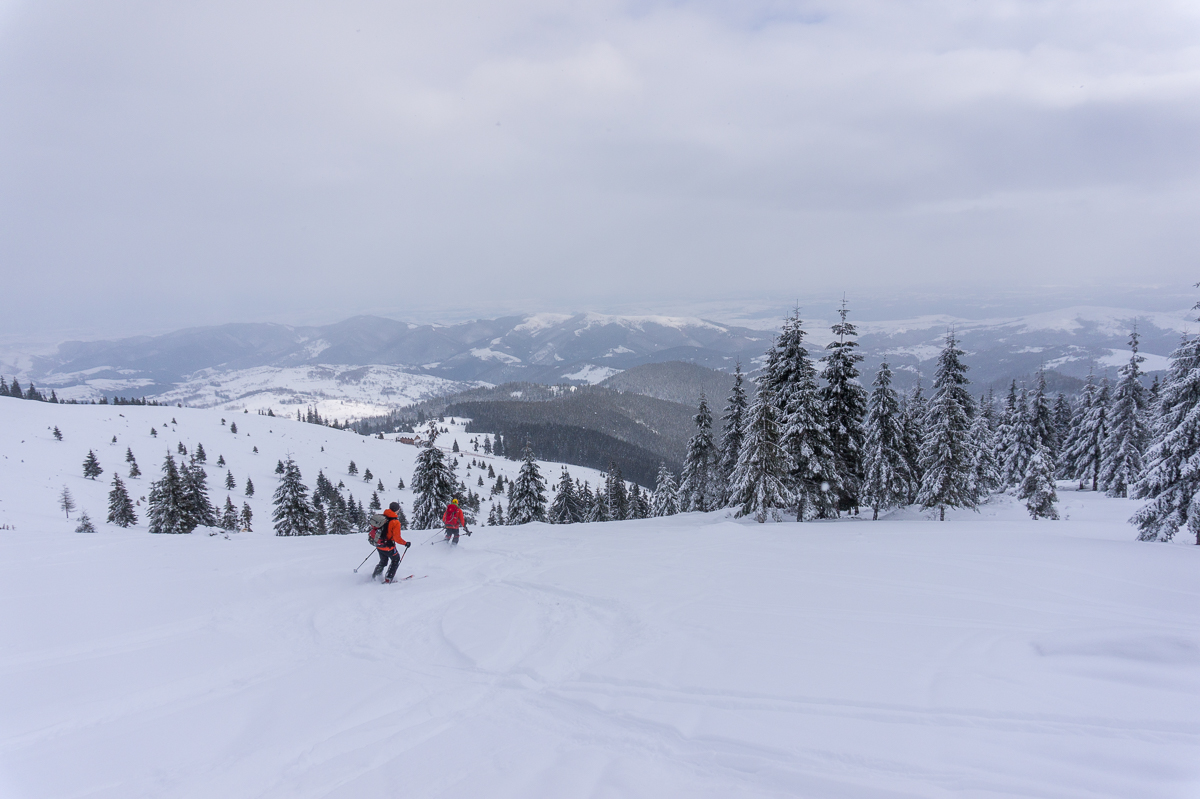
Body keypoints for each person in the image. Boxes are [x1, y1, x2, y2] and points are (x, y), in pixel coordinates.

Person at [372, 502, 410, 582]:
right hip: (388, 546)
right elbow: (397, 538)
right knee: (396, 559)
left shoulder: (383, 517)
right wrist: (405, 543)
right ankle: (388, 578)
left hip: (379, 544)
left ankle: (375, 577)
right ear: (397, 510)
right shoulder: (395, 522)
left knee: (383, 561)